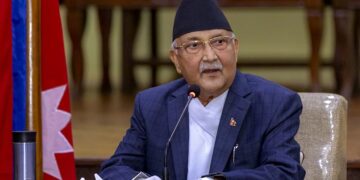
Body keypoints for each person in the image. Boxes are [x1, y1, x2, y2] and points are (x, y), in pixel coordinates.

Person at [99, 0, 305, 179]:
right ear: (176, 60)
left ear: (236, 48)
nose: (210, 56)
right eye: (194, 46)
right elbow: (116, 168)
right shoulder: (151, 104)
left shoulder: (275, 103)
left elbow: (285, 172)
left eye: (219, 42)